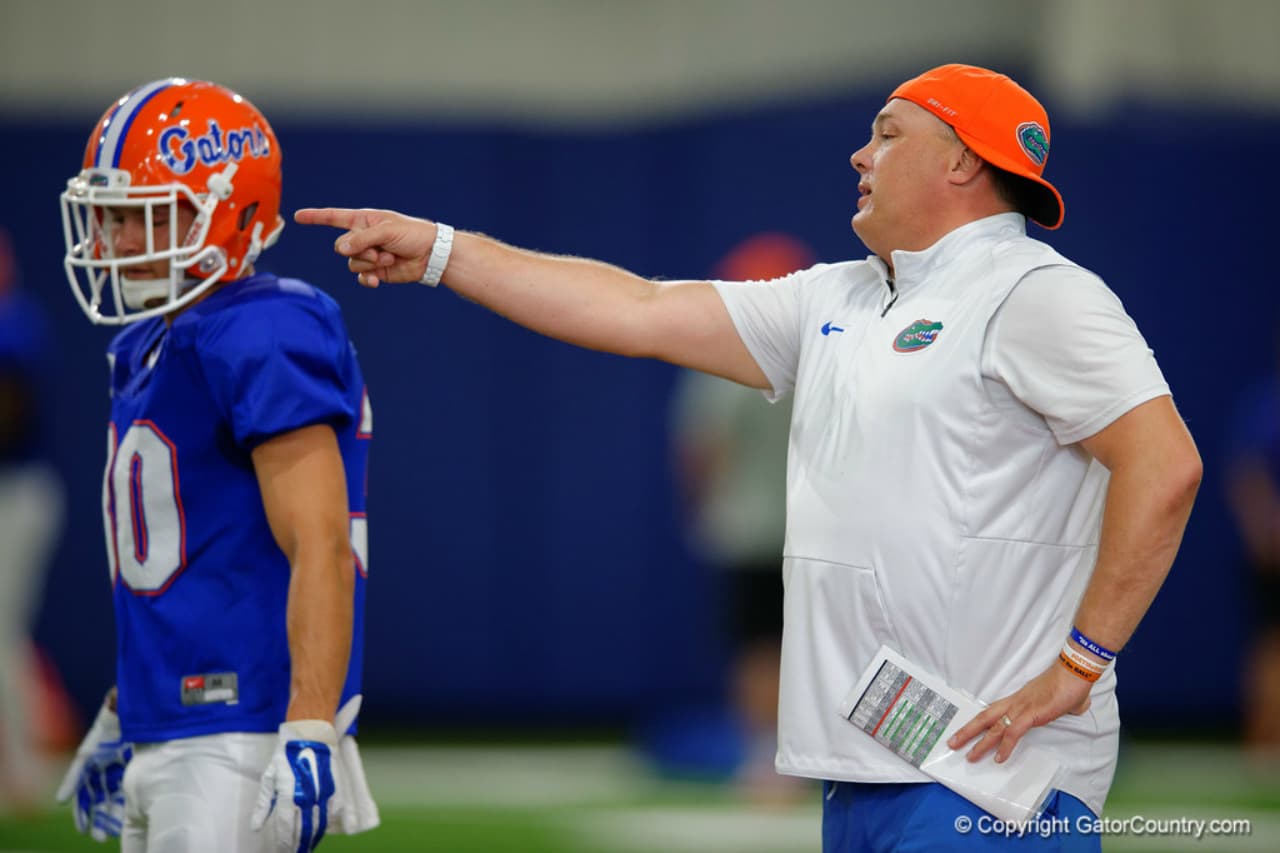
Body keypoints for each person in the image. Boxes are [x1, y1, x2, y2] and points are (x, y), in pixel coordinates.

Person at [297, 63, 1202, 851]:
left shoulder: (1038, 292)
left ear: (962, 160)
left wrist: (1081, 663)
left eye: (887, 134)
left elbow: (1164, 466)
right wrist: (444, 253)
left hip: (993, 781)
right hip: (869, 763)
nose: (860, 155)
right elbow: (639, 309)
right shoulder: (841, 296)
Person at [55, 78, 378, 852]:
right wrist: (124, 707)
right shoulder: (145, 343)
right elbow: (193, 562)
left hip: (240, 731)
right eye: (109, 215)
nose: (116, 240)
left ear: (227, 212)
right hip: (172, 722)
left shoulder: (266, 327)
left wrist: (307, 722)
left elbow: (321, 545)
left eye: (140, 216)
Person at [669, 233, 810, 798]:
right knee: (815, 642)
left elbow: (702, 446)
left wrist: (704, 508)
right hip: (815, 525)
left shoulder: (722, 358)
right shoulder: (829, 354)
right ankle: (805, 756)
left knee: (758, 647)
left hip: (750, 528)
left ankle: (766, 762)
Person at [0, 226, 67, 811]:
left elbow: (10, 413)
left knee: (2, 634)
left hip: (15, 492)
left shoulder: (13, 324)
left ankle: (20, 772)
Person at [1225, 358, 1280, 758]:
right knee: (1272, 647)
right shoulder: (1268, 402)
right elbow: (1247, 473)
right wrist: (1264, 533)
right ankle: (1264, 750)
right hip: (1274, 552)